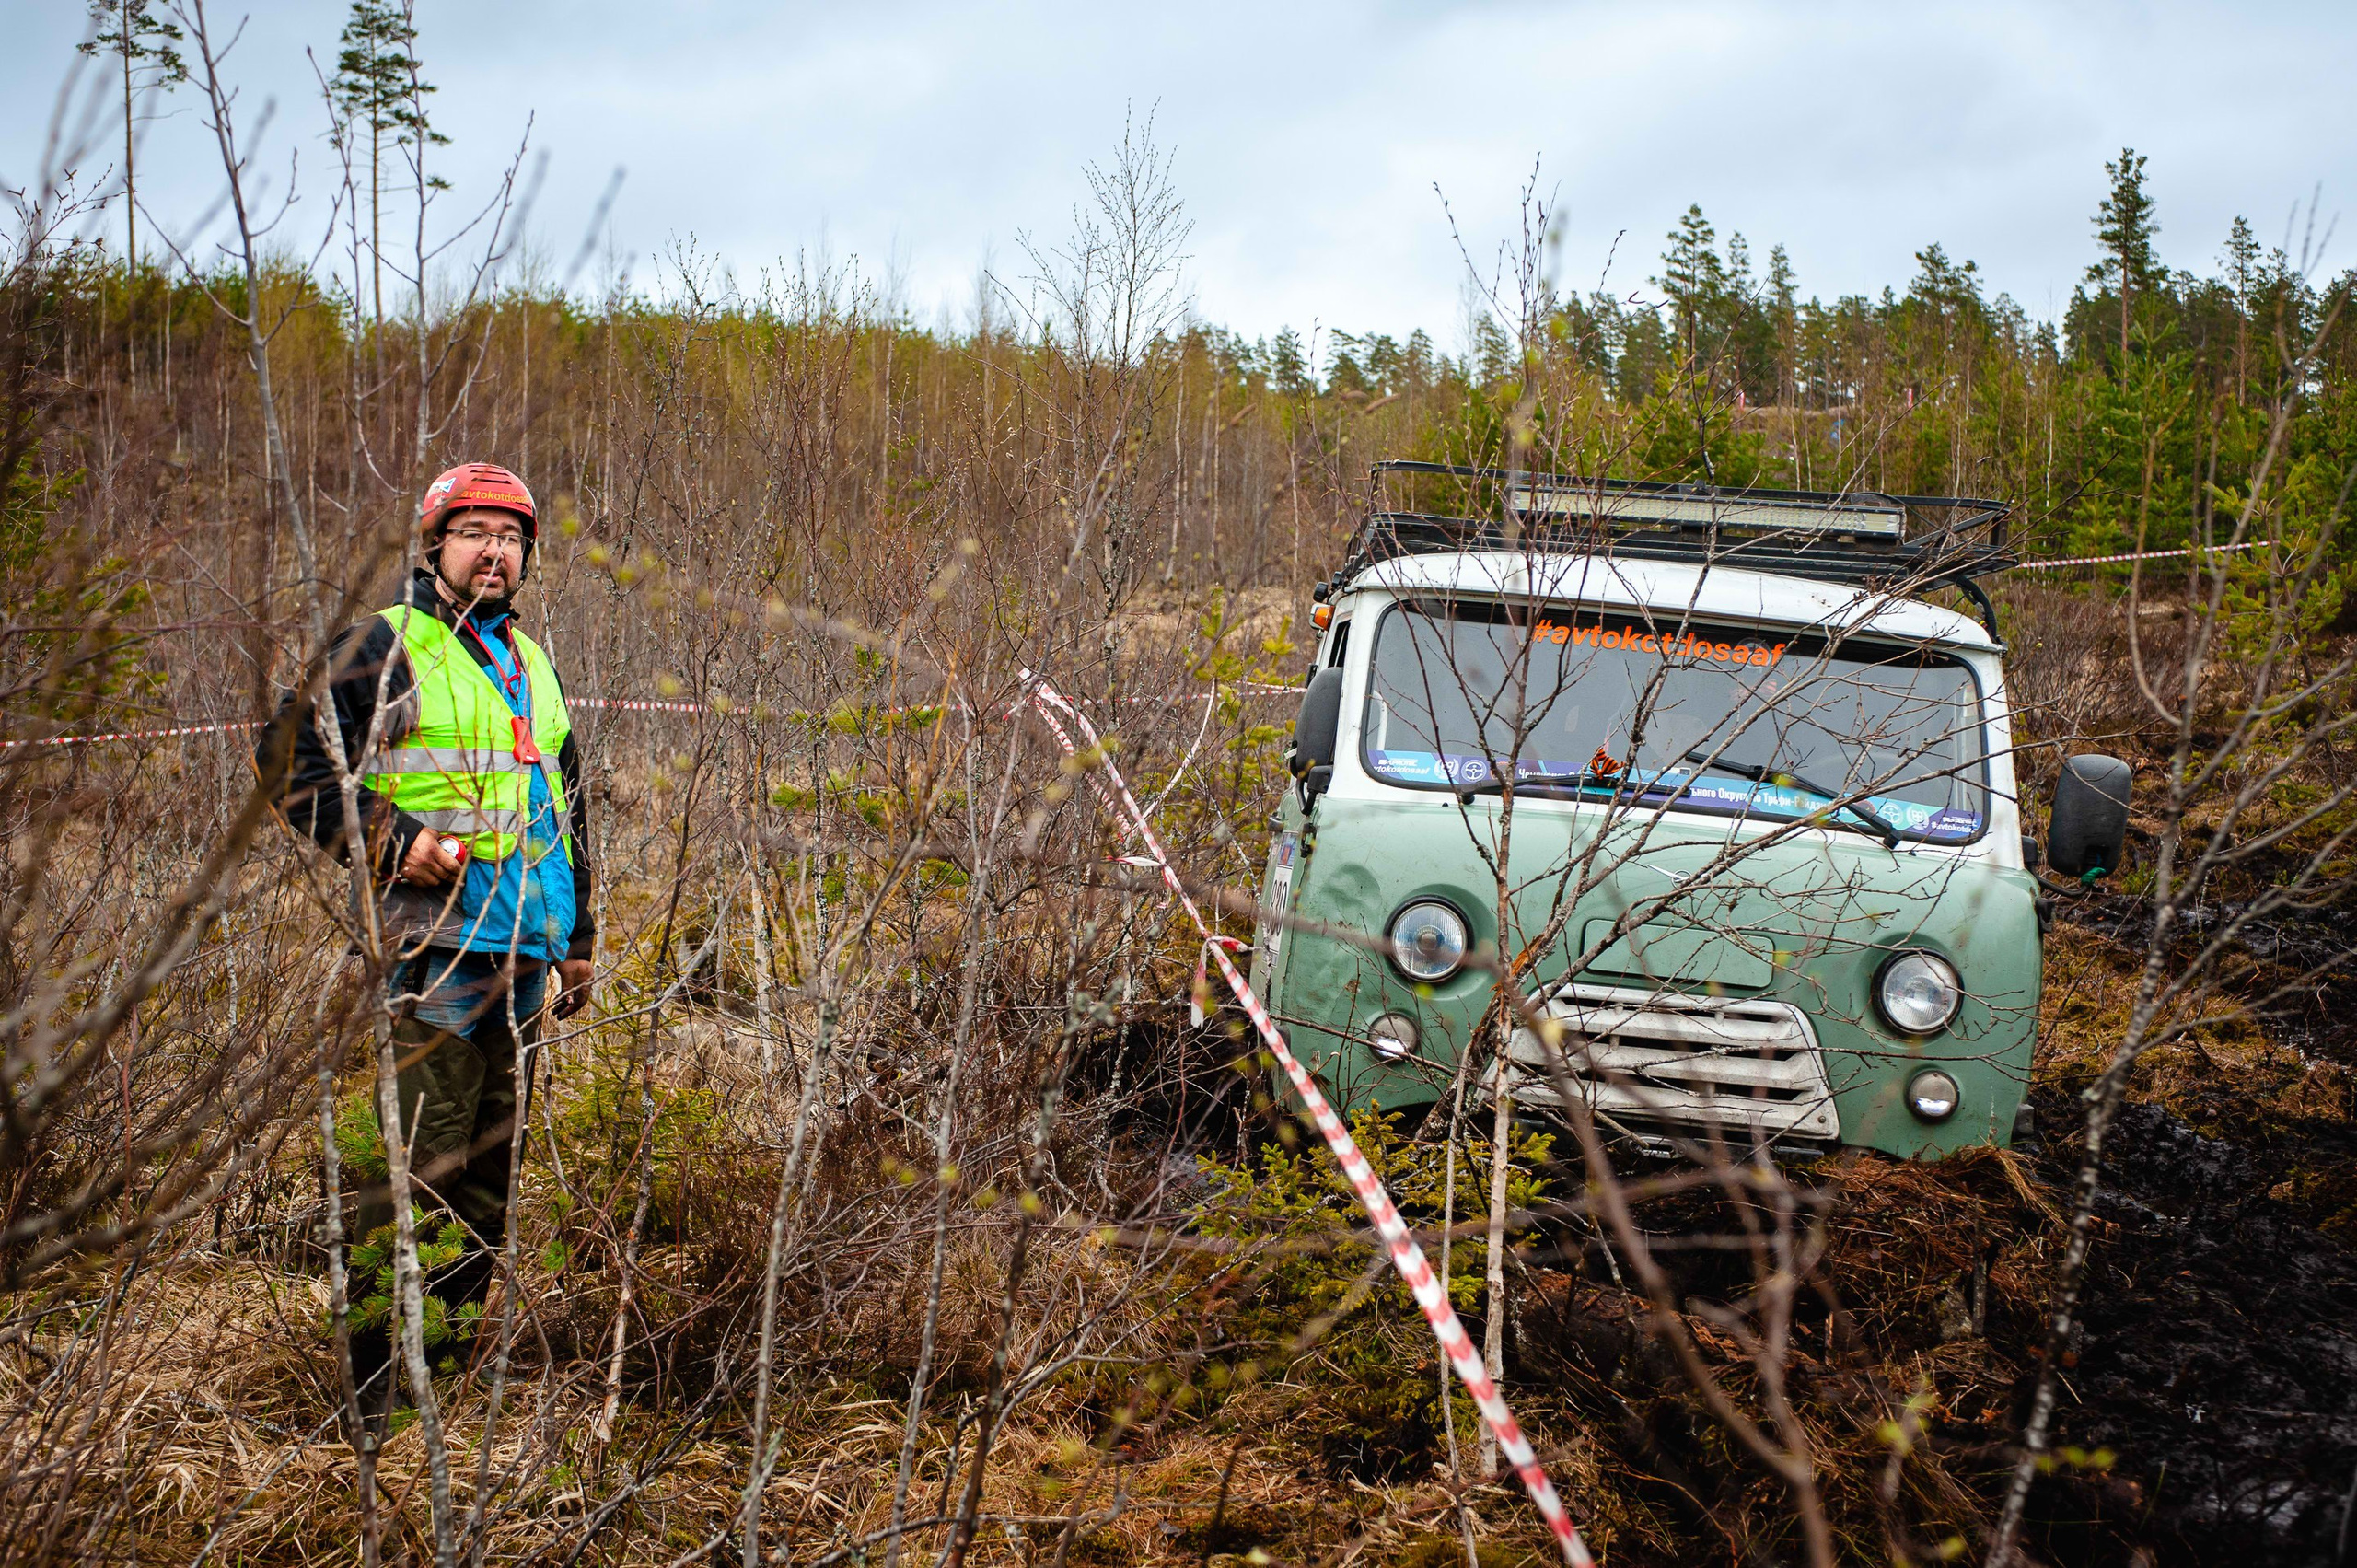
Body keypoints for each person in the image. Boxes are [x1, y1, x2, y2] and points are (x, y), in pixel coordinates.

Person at [261, 461, 595, 1410]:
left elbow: (564, 806)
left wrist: (580, 939)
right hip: (431, 952)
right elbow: (287, 757)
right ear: (434, 545)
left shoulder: (530, 663)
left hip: (523, 956)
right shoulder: (387, 641)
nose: (494, 550)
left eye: (511, 536)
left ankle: (435, 1385)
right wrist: (386, 839)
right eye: (474, 531)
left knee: (486, 1188)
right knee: (416, 1180)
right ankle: (371, 1398)